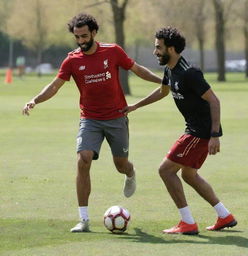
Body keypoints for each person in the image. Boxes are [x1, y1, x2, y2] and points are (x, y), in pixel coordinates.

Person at [22, 13, 162, 232]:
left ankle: (130, 172)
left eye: (84, 36)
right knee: (83, 160)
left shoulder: (113, 51)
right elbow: (54, 86)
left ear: (94, 33)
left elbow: (137, 70)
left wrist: (163, 80)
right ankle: (84, 219)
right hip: (90, 119)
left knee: (121, 165)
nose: (81, 41)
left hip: (117, 117)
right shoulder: (72, 60)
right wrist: (35, 100)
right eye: (77, 37)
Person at [123, 26, 237, 235]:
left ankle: (188, 222)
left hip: (200, 132)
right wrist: (135, 106)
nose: (155, 52)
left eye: (158, 47)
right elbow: (162, 91)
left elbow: (214, 101)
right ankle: (224, 215)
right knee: (189, 175)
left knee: (165, 170)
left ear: (172, 49)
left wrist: (215, 136)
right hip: (193, 129)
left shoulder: (189, 73)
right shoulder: (170, 69)